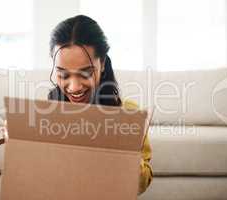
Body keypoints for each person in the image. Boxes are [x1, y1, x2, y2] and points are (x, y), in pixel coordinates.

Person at [48, 15, 152, 195]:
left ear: (102, 63)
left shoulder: (129, 114)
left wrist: (124, 154)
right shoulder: (45, 115)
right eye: (63, 75)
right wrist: (18, 144)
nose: (74, 87)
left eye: (85, 73)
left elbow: (140, 186)